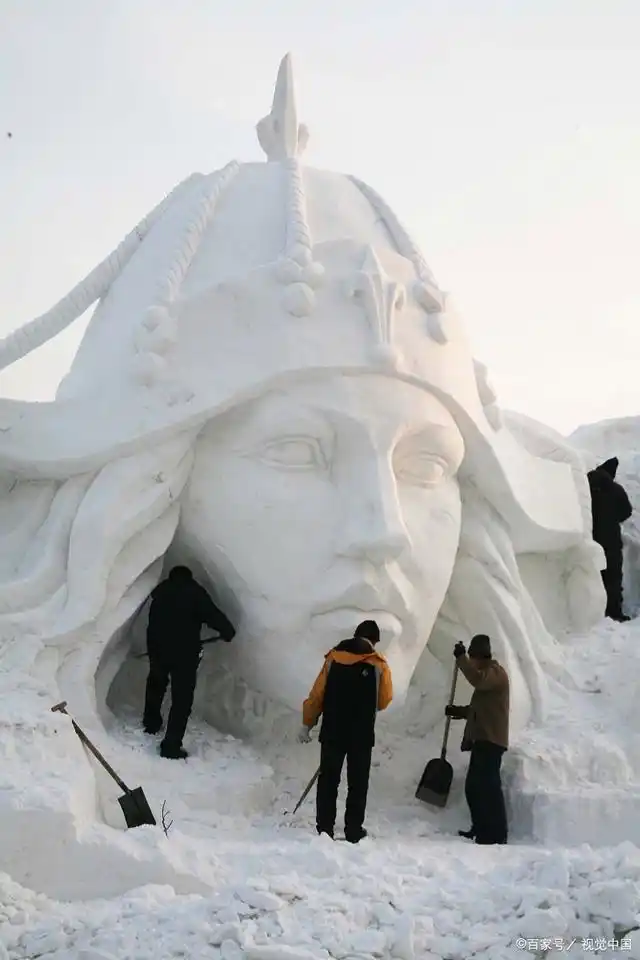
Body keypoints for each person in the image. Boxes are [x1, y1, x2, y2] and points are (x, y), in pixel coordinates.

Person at [298, 620, 393, 843]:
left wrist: (307, 723)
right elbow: (384, 700)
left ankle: (324, 829)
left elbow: (317, 695)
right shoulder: (378, 664)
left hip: (333, 730)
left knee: (328, 780)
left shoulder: (333, 658)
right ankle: (353, 830)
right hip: (361, 734)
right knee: (357, 784)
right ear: (374, 641)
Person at [142, 565, 236, 759]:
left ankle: (151, 723)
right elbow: (212, 614)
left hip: (158, 649)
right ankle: (171, 745)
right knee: (182, 699)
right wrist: (227, 631)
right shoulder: (195, 592)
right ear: (189, 577)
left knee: (156, 683)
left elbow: (151, 623)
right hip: (184, 654)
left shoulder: (161, 592)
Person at [445, 634, 509, 845]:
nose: (471, 663)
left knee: (489, 788)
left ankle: (496, 834)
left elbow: (478, 680)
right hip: (482, 739)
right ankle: (480, 828)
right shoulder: (488, 678)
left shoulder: (495, 673)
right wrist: (459, 711)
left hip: (492, 741)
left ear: (479, 656)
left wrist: (461, 659)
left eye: (472, 658)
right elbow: (479, 710)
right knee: (473, 787)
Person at [587, 457, 633, 622]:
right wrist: (612, 519)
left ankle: (593, 612)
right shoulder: (616, 489)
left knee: (593, 574)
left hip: (591, 538)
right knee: (613, 577)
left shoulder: (586, 484)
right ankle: (614, 613)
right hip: (611, 540)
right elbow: (627, 512)